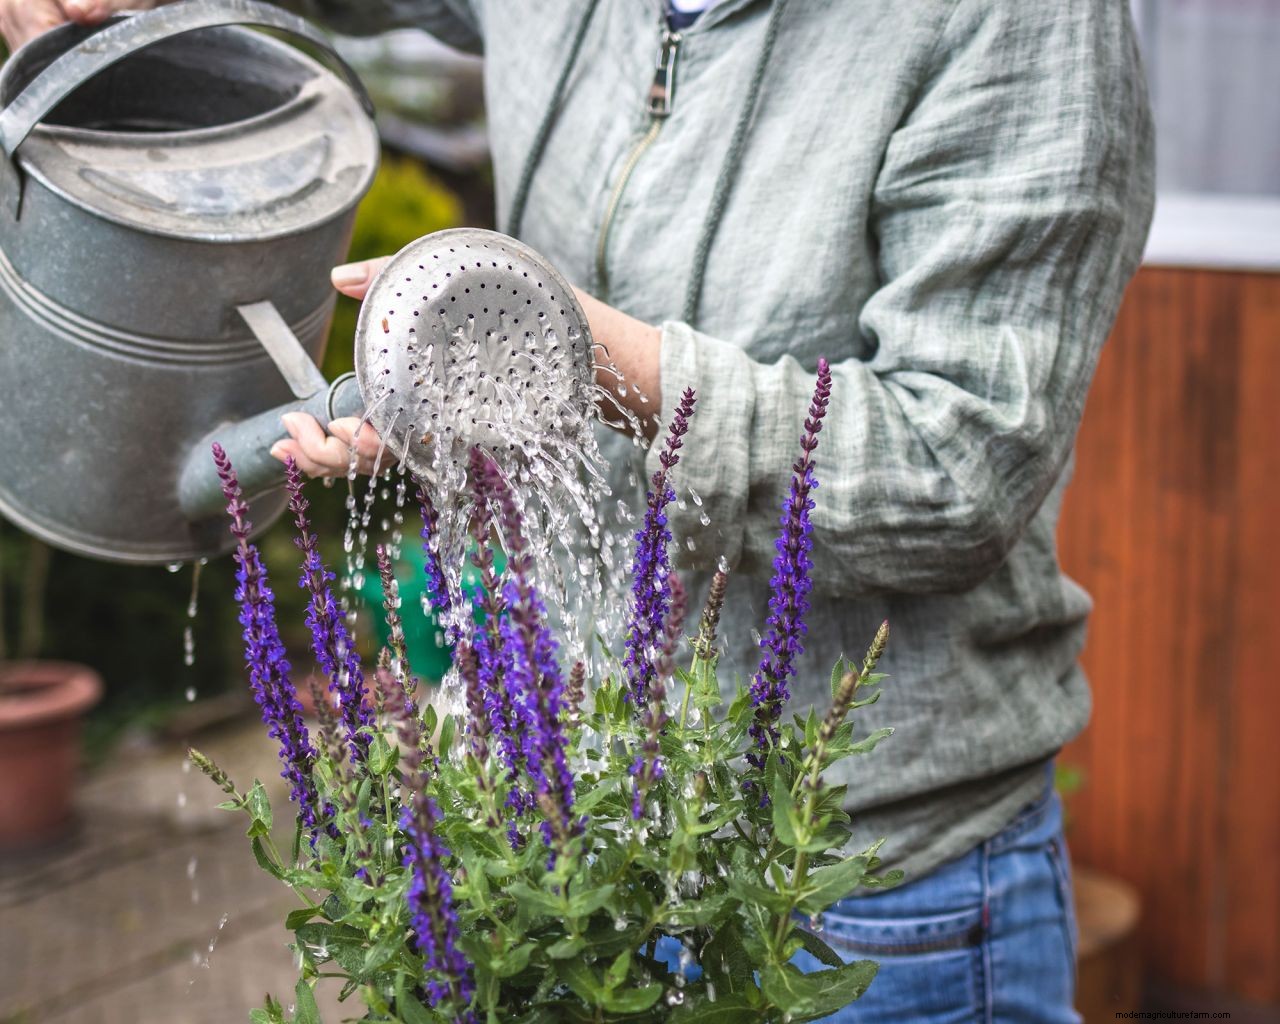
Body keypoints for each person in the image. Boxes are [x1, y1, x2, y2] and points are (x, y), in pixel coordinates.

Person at [1, 1, 1155, 1020]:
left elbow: (956, 470)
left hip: (856, 886)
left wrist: (570, 355)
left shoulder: (1019, 20)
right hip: (565, 848)